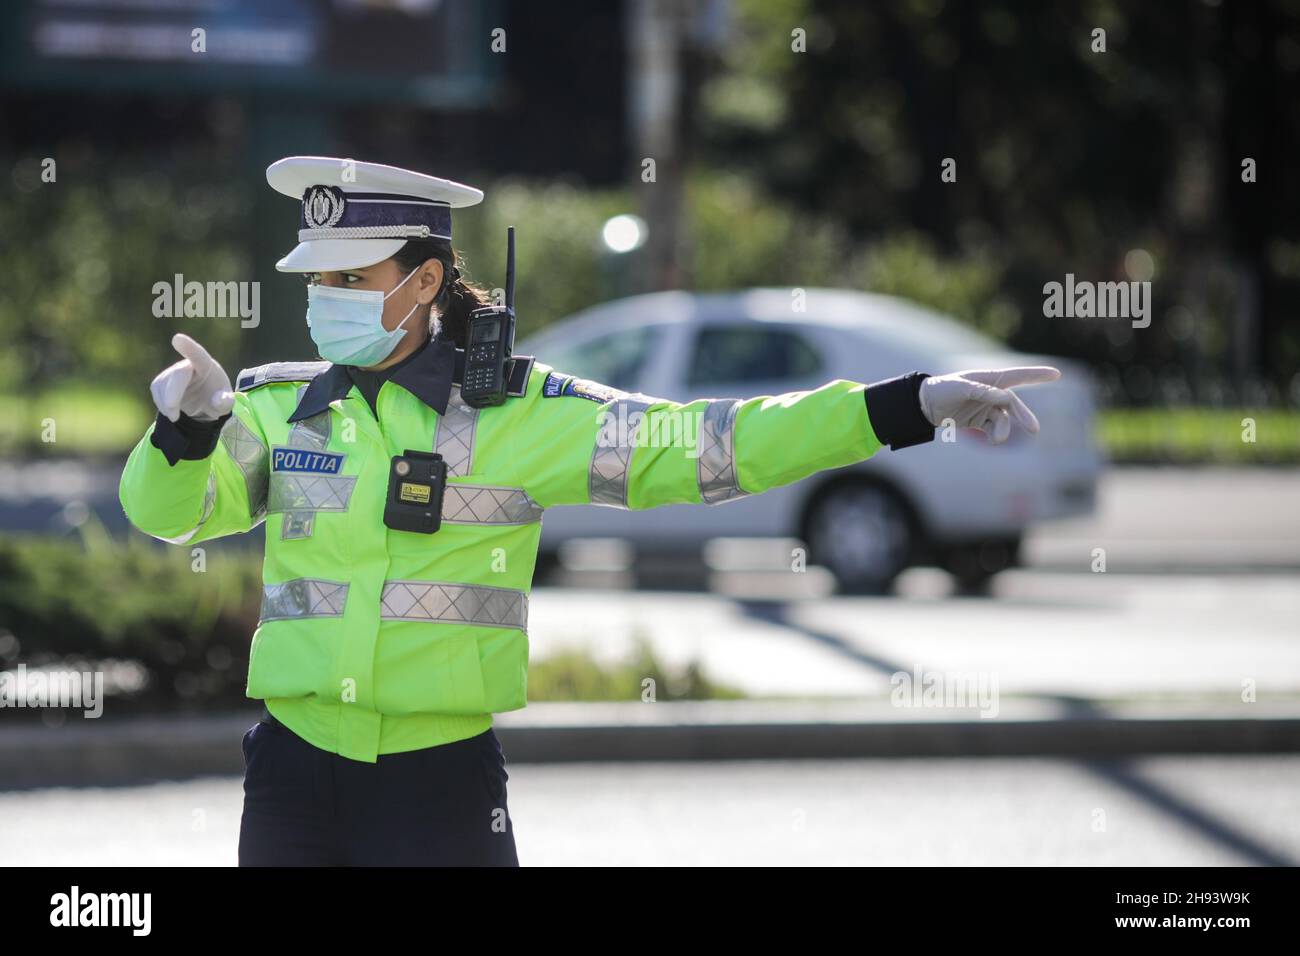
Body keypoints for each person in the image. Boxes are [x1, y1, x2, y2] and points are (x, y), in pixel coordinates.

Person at [118, 156, 1060, 866]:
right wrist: (186, 430)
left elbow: (710, 448)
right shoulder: (280, 406)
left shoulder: (526, 415)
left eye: (351, 280)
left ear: (427, 281)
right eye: (318, 281)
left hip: (436, 787)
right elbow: (173, 516)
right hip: (292, 775)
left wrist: (905, 404)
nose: (326, 302)